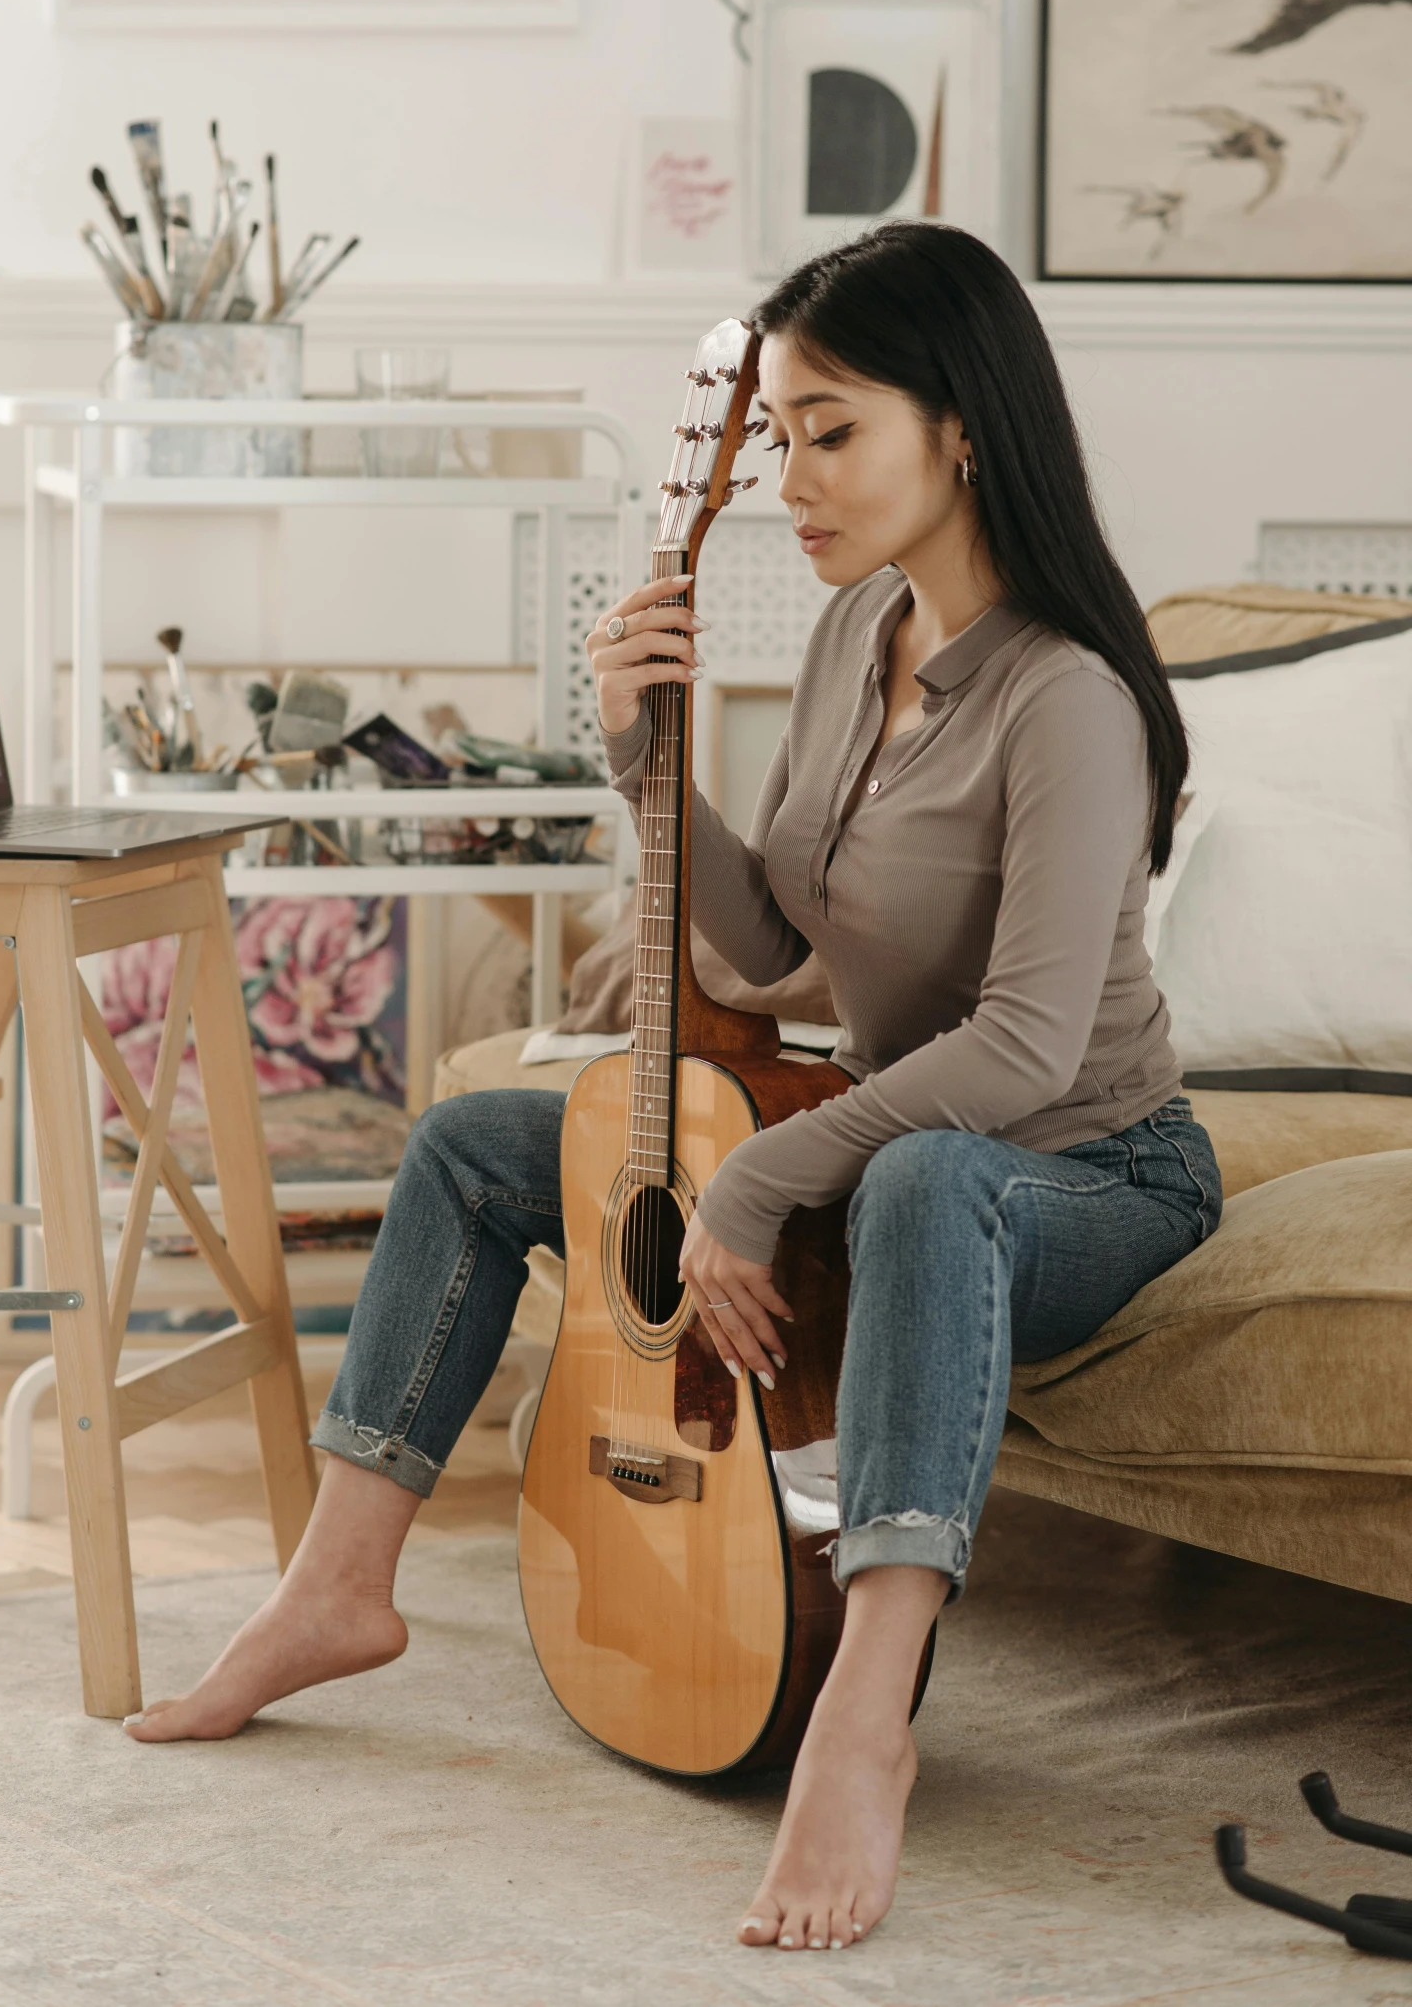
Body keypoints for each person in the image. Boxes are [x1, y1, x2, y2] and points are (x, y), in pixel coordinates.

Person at [125, 221, 1221, 1957]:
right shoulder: (865, 632)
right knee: (487, 1141)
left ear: (964, 427)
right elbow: (774, 925)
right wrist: (646, 760)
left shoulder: (1068, 702)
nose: (790, 476)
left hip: (1085, 1165)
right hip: (908, 1125)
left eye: (830, 429)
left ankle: (867, 1718)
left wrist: (755, 1184)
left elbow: (1019, 1050)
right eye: (776, 433)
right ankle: (337, 1588)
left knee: (931, 1176)